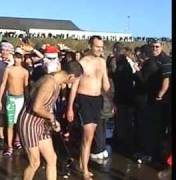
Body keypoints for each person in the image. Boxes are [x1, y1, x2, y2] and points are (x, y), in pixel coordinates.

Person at [18, 60, 83, 180]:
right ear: (71, 76)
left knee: (52, 159)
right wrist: (52, 117)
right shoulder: (49, 82)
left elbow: (47, 107)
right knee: (35, 162)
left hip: (41, 123)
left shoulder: (57, 83)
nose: (73, 83)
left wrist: (53, 121)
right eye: (74, 80)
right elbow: (37, 107)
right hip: (29, 122)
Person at [67, 36, 110, 180]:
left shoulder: (103, 62)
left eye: (101, 47)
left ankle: (81, 163)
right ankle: (85, 171)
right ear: (90, 46)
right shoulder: (82, 63)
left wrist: (111, 98)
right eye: (97, 46)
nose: (100, 49)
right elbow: (74, 87)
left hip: (97, 100)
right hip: (84, 99)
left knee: (89, 137)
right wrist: (69, 108)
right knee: (88, 136)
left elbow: (105, 84)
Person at [0, 48, 29, 156]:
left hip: (21, 99)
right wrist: (0, 100)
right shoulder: (8, 69)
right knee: (10, 123)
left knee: (19, 122)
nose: (17, 60)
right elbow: (3, 84)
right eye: (16, 57)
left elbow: (26, 87)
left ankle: (17, 140)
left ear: (22, 59)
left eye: (19, 58)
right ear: (14, 58)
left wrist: (27, 101)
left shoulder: (25, 72)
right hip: (10, 98)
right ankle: (10, 146)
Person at [0, 42, 14, 148]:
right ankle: (1, 137)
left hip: (10, 91)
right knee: (0, 114)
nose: (4, 52)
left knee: (10, 115)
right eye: (3, 50)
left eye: (7, 50)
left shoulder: (13, 63)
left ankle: (10, 136)